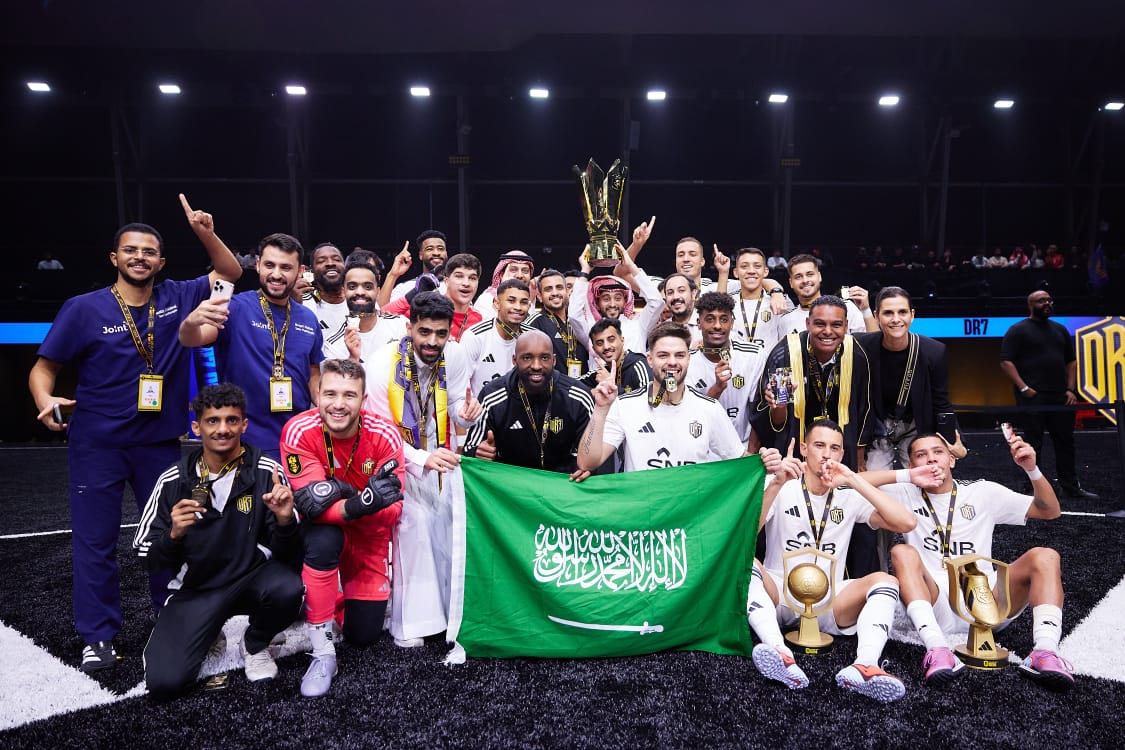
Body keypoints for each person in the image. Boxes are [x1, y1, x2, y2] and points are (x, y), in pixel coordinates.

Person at [28, 194, 243, 672]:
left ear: (161, 262)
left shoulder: (178, 297)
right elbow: (44, 369)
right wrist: (45, 398)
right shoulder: (83, 308)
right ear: (115, 258)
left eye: (149, 252)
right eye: (131, 250)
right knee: (94, 541)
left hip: (158, 444)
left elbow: (229, 271)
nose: (139, 257)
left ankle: (171, 615)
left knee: (175, 532)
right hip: (97, 443)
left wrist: (206, 233)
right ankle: (98, 636)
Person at [134, 383, 304, 700]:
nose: (223, 429)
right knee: (165, 683)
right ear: (196, 427)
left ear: (244, 424)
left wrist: (284, 520)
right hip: (197, 588)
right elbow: (146, 556)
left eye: (231, 420)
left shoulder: (267, 472)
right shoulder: (172, 480)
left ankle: (255, 643)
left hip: (250, 578)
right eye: (213, 421)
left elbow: (291, 557)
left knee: (289, 588)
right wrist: (173, 535)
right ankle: (209, 630)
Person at [875, 432, 1075, 690]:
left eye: (938, 452)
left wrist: (1031, 469)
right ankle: (937, 648)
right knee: (902, 552)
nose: (931, 459)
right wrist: (906, 476)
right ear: (910, 465)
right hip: (935, 600)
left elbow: (1050, 511)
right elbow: (847, 483)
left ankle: (1045, 650)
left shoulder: (982, 492)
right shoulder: (903, 492)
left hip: (987, 598)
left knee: (1045, 556)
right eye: (921, 455)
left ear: (952, 460)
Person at [746, 420, 918, 702]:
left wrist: (853, 479)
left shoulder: (848, 496)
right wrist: (776, 483)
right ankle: (779, 652)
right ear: (804, 449)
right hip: (781, 593)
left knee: (885, 581)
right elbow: (745, 535)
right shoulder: (782, 485)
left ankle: (865, 665)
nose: (827, 454)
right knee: (746, 563)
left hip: (829, 600)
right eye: (819, 445)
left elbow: (906, 522)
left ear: (842, 454)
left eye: (835, 448)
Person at [362, 292, 482, 647]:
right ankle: (410, 626)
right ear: (409, 327)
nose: (432, 341)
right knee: (413, 527)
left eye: (441, 333)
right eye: (425, 331)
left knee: (448, 526)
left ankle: (447, 615)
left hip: (440, 449)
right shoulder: (381, 366)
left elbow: (457, 401)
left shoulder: (454, 354)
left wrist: (465, 415)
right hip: (396, 456)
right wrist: (418, 459)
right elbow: (379, 434)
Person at [280, 358, 406, 697]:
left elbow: (393, 511)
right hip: (322, 532)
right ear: (317, 394)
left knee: (362, 635)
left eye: (349, 395)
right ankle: (323, 652)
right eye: (330, 394)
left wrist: (343, 498)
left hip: (368, 537)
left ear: (363, 400)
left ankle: (328, 597)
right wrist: (360, 501)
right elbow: (311, 507)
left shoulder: (384, 435)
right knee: (323, 537)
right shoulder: (298, 430)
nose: (338, 404)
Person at [753, 295, 877, 577]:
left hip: (839, 454)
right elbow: (775, 421)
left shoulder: (856, 355)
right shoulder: (786, 354)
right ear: (808, 323)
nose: (827, 331)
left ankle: (849, 582)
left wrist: (859, 462)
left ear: (846, 326)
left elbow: (864, 409)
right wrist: (778, 406)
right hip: (795, 454)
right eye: (820, 324)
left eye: (836, 325)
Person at [179, 232, 324, 461]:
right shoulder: (235, 307)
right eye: (269, 265)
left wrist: (328, 403)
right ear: (257, 265)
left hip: (296, 438)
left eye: (286, 267)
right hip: (244, 439)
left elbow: (313, 373)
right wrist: (190, 322)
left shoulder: (308, 319)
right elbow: (191, 339)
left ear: (300, 271)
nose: (276, 274)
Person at [577, 322, 746, 473]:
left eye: (679, 355)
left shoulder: (710, 408)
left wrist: (761, 459)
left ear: (688, 359)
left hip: (691, 500)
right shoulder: (625, 405)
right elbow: (586, 463)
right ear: (650, 360)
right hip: (643, 499)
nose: (672, 362)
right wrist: (601, 409)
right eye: (663, 355)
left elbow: (742, 460)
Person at [999, 290, 1098, 499]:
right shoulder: (1018, 330)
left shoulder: (1060, 330)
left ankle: (1070, 486)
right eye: (1041, 301)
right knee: (1033, 443)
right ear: (1030, 305)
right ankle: (1032, 488)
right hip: (1033, 397)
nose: (1047, 303)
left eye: (1049, 300)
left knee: (1065, 442)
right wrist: (1024, 388)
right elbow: (1006, 361)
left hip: (1060, 397)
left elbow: (1071, 361)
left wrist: (1070, 389)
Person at [855, 287, 965, 472]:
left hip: (916, 425)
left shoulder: (933, 351)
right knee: (871, 482)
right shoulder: (860, 346)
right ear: (876, 316)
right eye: (888, 313)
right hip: (876, 427)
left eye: (902, 312)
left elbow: (941, 403)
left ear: (912, 315)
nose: (896, 319)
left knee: (927, 478)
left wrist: (956, 441)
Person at [464, 329, 594, 478]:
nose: (536, 366)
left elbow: (593, 454)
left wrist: (585, 468)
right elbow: (469, 451)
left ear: (554, 360)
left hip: (563, 483)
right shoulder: (492, 397)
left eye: (544, 358)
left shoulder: (578, 397)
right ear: (514, 360)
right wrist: (478, 452)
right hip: (511, 485)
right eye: (527, 358)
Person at [686, 292, 767, 446]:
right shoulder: (687, 362)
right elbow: (692, 418)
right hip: (704, 450)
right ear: (699, 323)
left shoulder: (754, 355)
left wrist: (749, 453)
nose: (717, 326)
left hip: (743, 447)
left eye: (724, 319)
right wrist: (717, 388)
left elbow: (758, 411)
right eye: (710, 319)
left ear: (732, 323)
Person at [569, 244, 664, 368]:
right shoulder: (591, 328)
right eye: (606, 299)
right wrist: (585, 270)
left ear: (625, 302)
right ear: (597, 304)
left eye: (618, 298)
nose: (612, 304)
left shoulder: (638, 325)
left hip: (635, 380)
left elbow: (656, 302)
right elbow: (574, 315)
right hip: (601, 380)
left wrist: (630, 265)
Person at [383, 252, 483, 342]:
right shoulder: (428, 307)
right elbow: (382, 316)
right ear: (446, 281)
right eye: (459, 276)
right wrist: (413, 294)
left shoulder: (479, 319)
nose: (466, 283)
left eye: (472, 278)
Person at [322, 260, 408, 363]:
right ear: (343, 291)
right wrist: (352, 359)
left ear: (378, 292)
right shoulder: (333, 345)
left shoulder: (400, 325)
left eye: (368, 287)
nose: (360, 292)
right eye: (352, 287)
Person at [459, 279, 532, 396]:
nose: (518, 307)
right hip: (482, 406)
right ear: (497, 303)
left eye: (523, 302)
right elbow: (460, 385)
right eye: (511, 301)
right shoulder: (474, 336)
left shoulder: (534, 337)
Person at [775, 254, 877, 336]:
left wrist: (866, 310)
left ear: (819, 276)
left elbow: (873, 345)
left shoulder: (846, 307)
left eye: (810, 274)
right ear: (791, 283)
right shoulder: (785, 321)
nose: (805, 280)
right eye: (798, 277)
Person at [526, 268, 589, 378]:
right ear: (540, 296)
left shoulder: (579, 320)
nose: (555, 293)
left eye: (559, 287)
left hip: (583, 385)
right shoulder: (534, 323)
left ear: (566, 291)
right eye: (548, 289)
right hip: (553, 387)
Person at [727, 247, 785, 350]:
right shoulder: (726, 304)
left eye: (757, 266)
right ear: (736, 272)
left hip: (769, 360)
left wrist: (777, 292)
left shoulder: (780, 301)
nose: (751, 271)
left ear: (765, 271)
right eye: (744, 266)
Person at [578, 317, 652, 397]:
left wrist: (612, 386)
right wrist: (591, 393)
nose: (606, 347)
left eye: (611, 340)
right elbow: (569, 385)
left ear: (622, 340)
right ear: (594, 349)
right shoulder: (600, 373)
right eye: (600, 343)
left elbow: (651, 399)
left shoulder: (640, 365)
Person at [298, 242, 348, 353]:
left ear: (344, 266)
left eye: (336, 259)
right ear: (312, 271)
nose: (330, 263)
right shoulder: (303, 304)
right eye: (321, 261)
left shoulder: (360, 300)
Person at [385, 230, 449, 302]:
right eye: (429, 249)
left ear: (446, 253)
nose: (436, 253)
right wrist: (392, 275)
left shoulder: (456, 285)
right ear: (420, 255)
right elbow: (382, 308)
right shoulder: (405, 287)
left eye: (441, 249)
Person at [473, 250, 535, 320]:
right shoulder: (486, 299)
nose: (519, 275)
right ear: (501, 275)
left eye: (525, 271)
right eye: (513, 270)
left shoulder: (531, 297)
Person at [661, 273, 700, 345]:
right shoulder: (662, 330)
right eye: (670, 293)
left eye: (681, 290)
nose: (675, 297)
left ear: (693, 294)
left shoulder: (708, 324)